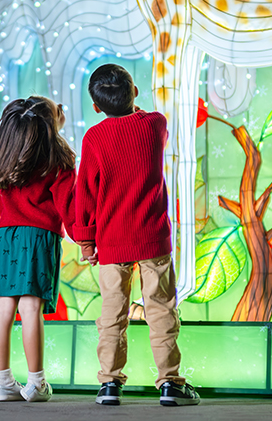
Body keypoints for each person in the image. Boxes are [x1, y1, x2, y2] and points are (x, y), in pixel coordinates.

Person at [74, 64, 200, 406]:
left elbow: (85, 191)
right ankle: (170, 384)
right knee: (161, 310)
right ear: (135, 93)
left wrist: (86, 240)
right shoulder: (154, 124)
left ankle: (110, 384)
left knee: (112, 314)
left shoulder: (94, 138)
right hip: (152, 239)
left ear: (97, 107)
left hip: (111, 241)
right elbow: (141, 117)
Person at [0, 96, 76, 403]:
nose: (62, 109)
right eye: (57, 110)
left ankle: (3, 383)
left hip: (5, 237)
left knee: (3, 309)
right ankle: (36, 383)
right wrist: (85, 236)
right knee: (31, 308)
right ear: (49, 125)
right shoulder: (59, 161)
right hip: (39, 238)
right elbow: (67, 208)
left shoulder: (5, 157)